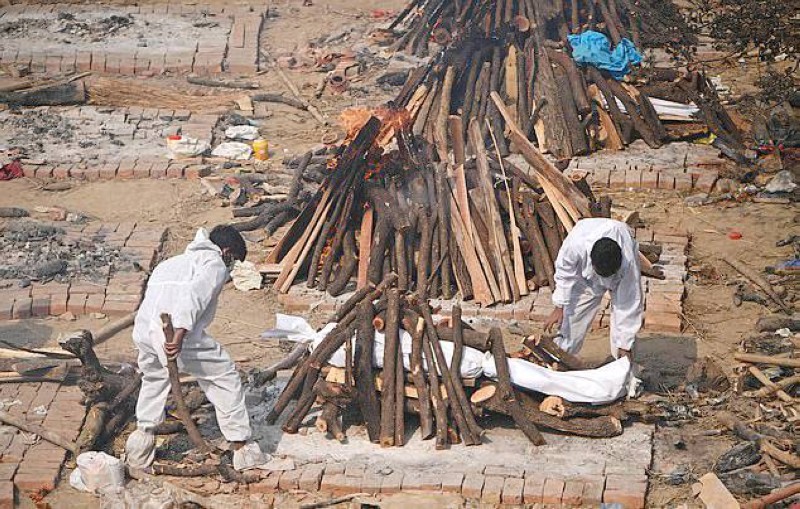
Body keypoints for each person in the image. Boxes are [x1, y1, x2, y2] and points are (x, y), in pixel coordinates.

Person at [125, 225, 268, 471]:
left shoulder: (171, 263)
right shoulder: (213, 263)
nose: (230, 267)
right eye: (232, 260)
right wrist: (178, 336)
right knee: (223, 376)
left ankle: (139, 449)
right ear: (226, 251)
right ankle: (242, 448)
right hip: (177, 333)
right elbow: (194, 296)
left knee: (154, 379)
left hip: (145, 332)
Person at [543, 218, 643, 359]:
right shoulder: (575, 245)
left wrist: (625, 344)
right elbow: (564, 273)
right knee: (572, 320)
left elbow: (629, 304)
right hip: (586, 280)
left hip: (619, 273)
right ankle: (559, 359)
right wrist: (559, 306)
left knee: (624, 344)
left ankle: (624, 367)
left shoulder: (628, 263)